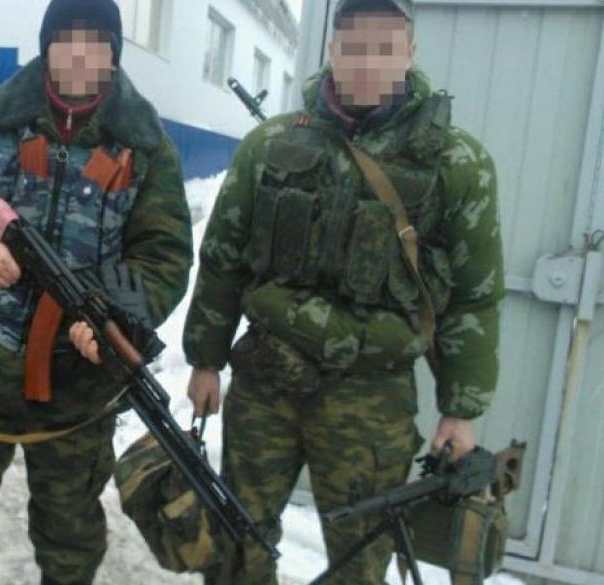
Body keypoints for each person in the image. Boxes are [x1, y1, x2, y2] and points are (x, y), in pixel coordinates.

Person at [182, 0, 504, 582]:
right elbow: (223, 260)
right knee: (236, 542)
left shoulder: (456, 162)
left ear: (410, 53)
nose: (367, 64)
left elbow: (472, 296)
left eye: (385, 49)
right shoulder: (270, 144)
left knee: (361, 560)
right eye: (353, 48)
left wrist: (461, 409)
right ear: (332, 51)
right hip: (267, 381)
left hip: (371, 396)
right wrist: (205, 360)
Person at [0, 0, 193, 583]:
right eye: (67, 40)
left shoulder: (145, 146)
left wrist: (114, 319)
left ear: (113, 54)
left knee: (70, 545)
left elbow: (165, 257)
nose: (80, 56)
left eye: (96, 43)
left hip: (77, 396)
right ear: (47, 48)